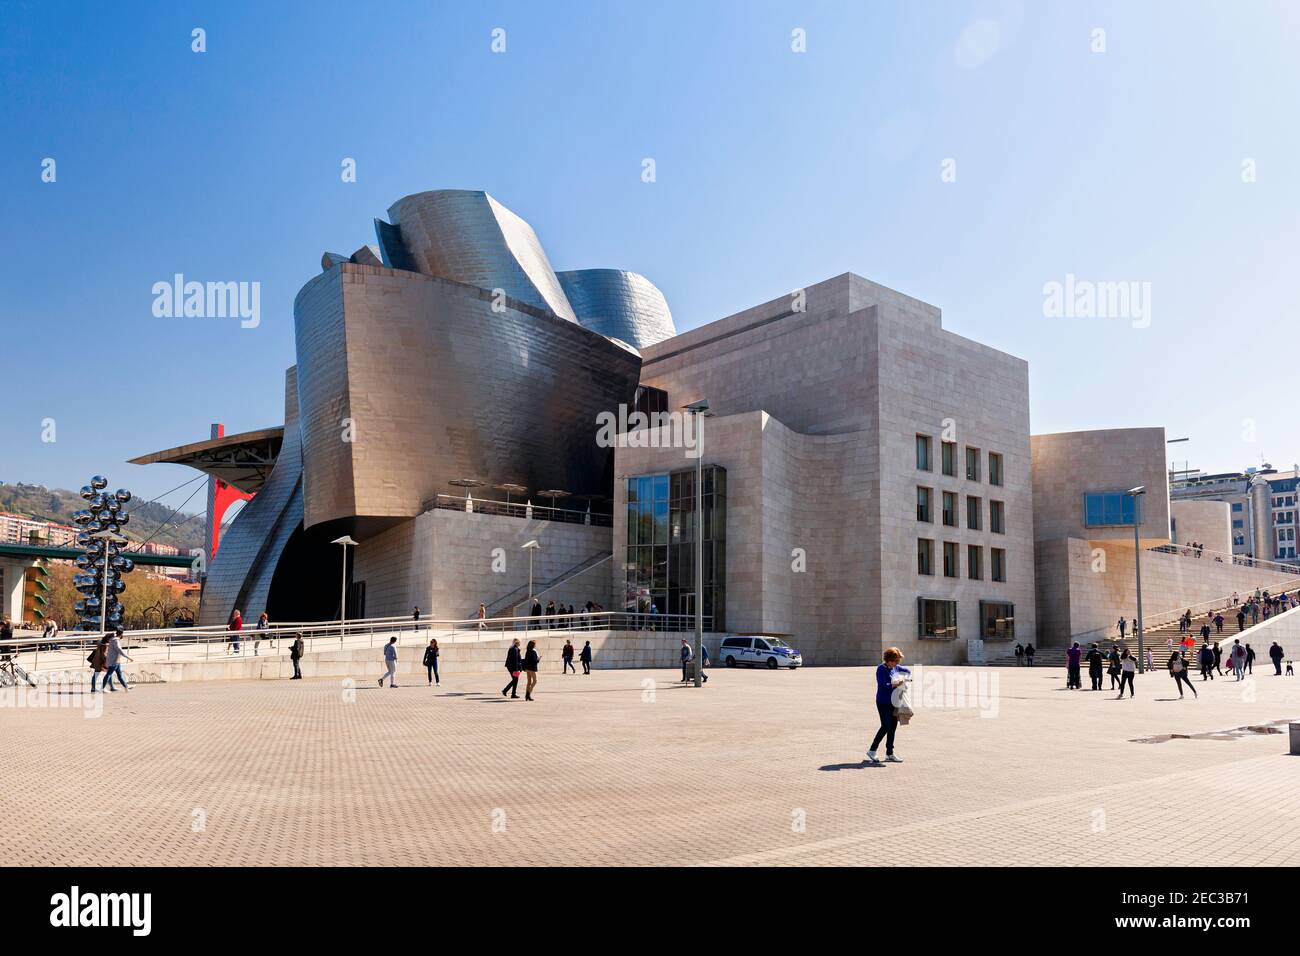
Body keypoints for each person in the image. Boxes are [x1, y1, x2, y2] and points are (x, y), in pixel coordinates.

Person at [867, 647, 910, 764]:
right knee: (886, 726)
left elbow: (907, 670)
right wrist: (895, 684)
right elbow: (882, 685)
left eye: (898, 661)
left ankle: (889, 753)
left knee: (893, 727)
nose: (897, 664)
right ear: (889, 660)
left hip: (894, 701)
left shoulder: (895, 667)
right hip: (883, 702)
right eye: (895, 661)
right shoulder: (881, 669)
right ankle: (872, 750)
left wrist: (905, 677)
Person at [102, 627, 132, 692]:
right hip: (114, 661)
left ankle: (126, 687)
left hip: (116, 661)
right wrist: (128, 657)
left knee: (119, 675)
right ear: (121, 634)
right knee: (109, 674)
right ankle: (103, 688)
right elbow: (119, 650)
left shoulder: (113, 639)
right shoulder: (115, 640)